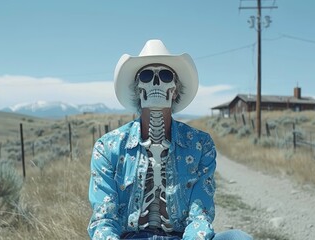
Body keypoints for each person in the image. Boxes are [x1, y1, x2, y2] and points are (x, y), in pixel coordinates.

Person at [88, 39, 252, 240]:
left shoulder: (200, 145)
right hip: (129, 237)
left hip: (183, 237)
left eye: (165, 76)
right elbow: (104, 219)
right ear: (139, 90)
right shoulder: (108, 147)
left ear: (174, 90)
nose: (156, 83)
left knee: (238, 237)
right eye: (147, 76)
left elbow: (199, 216)